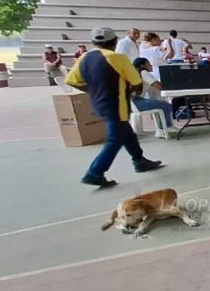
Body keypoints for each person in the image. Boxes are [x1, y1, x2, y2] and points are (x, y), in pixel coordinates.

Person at [65, 27, 162, 187]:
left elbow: (71, 81)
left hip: (98, 103)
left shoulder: (84, 57)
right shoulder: (118, 58)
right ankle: (94, 172)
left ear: (93, 42)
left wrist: (93, 89)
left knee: (126, 132)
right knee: (115, 138)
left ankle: (139, 160)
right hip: (117, 104)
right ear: (115, 41)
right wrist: (130, 91)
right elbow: (137, 82)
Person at [130, 57, 175, 138]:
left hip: (132, 101)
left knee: (160, 104)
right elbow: (158, 86)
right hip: (135, 102)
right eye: (148, 64)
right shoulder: (143, 72)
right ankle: (164, 129)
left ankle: (162, 129)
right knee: (166, 105)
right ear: (142, 66)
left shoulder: (136, 73)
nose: (151, 66)